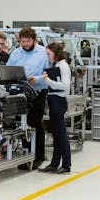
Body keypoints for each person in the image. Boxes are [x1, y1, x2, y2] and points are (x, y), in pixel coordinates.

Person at [7, 27, 49, 169]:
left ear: (34, 40)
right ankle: (26, 155)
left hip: (38, 91)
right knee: (23, 124)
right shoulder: (15, 53)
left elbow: (48, 72)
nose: (25, 44)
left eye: (28, 41)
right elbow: (8, 70)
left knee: (35, 122)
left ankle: (38, 156)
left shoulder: (43, 52)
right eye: (23, 41)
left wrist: (35, 79)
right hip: (21, 92)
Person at [40, 42, 73, 174]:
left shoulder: (63, 66)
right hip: (54, 100)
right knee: (56, 134)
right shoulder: (57, 66)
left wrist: (49, 82)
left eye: (49, 54)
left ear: (55, 53)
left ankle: (66, 164)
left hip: (59, 101)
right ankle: (54, 164)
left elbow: (66, 87)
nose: (48, 57)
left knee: (61, 135)